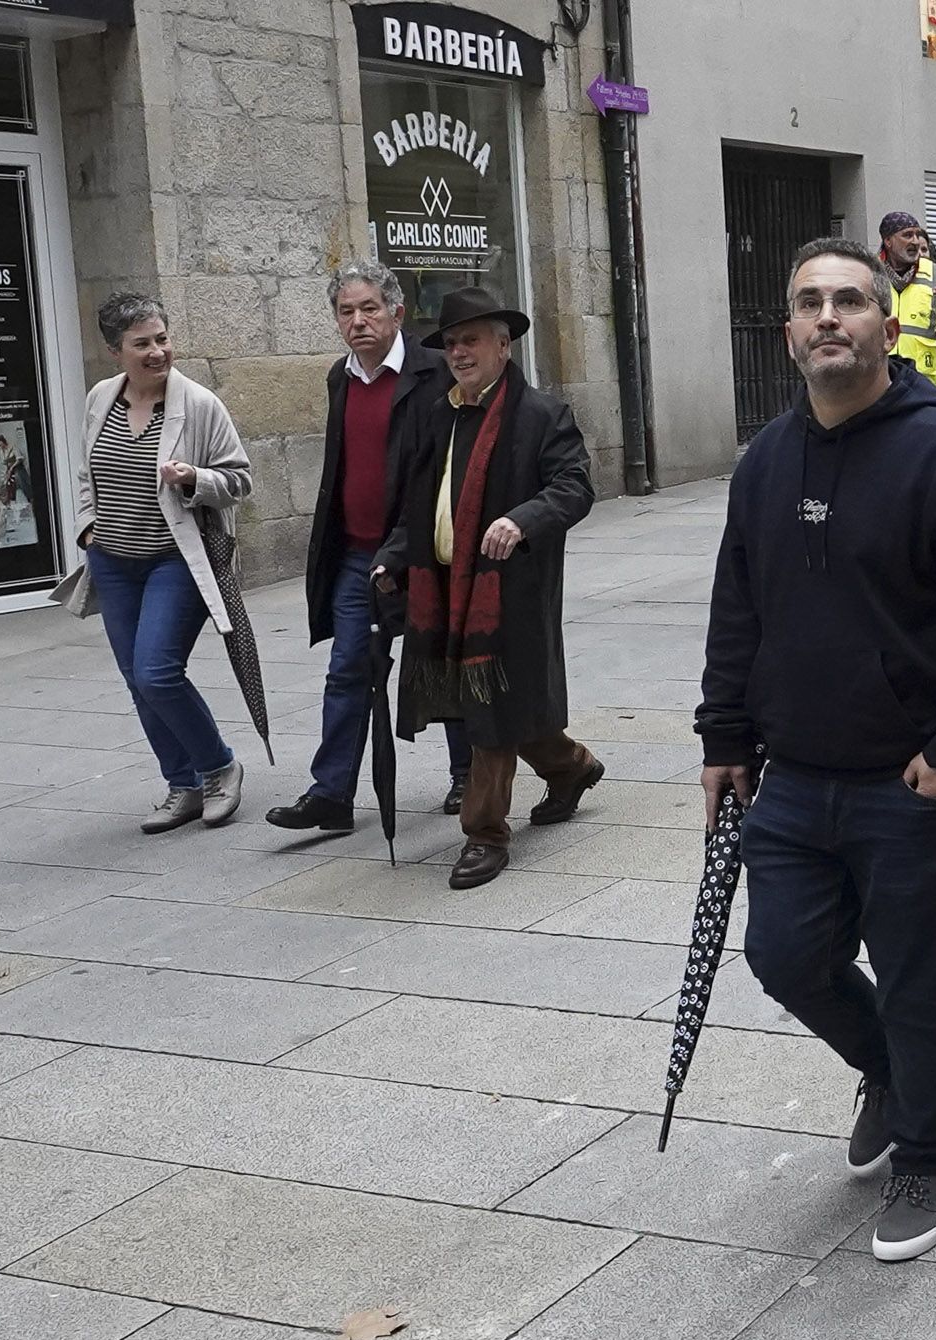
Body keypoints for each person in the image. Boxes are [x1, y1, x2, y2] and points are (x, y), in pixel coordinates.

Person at [699, 237, 936, 1264]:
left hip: (913, 780)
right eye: (810, 303)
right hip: (793, 774)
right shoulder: (765, 459)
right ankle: (892, 1072)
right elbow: (737, 609)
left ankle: (925, 1150)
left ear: (890, 324)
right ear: (789, 329)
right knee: (784, 953)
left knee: (914, 966)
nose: (829, 317)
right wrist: (723, 736)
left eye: (849, 300)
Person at [371, 288, 598, 890]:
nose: (459, 352)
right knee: (504, 704)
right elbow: (419, 503)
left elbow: (574, 487)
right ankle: (571, 766)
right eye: (450, 343)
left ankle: (484, 833)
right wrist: (394, 558)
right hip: (443, 586)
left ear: (504, 344)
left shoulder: (541, 415)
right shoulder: (436, 413)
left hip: (510, 587)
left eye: (471, 340)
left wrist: (522, 519)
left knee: (489, 709)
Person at [267, 262, 469, 834]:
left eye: (369, 309)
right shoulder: (341, 377)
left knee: (443, 661)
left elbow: (442, 467)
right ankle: (332, 793)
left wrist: (413, 543)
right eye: (345, 311)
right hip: (358, 553)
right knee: (348, 670)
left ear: (396, 313)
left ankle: (467, 773)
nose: (357, 321)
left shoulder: (435, 372)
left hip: (426, 550)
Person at [74, 291, 251, 833]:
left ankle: (220, 766)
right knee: (136, 678)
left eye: (162, 339)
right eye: (141, 343)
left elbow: (239, 478)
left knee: (156, 672)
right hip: (112, 560)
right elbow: (87, 471)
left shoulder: (198, 404)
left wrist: (195, 479)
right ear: (115, 351)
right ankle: (183, 784)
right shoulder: (101, 397)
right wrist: (87, 530)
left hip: (175, 559)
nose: (157, 352)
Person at [879, 212, 936, 386]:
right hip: (878, 374)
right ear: (888, 241)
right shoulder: (870, 271)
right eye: (907, 235)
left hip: (922, 378)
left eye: (917, 235)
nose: (915, 241)